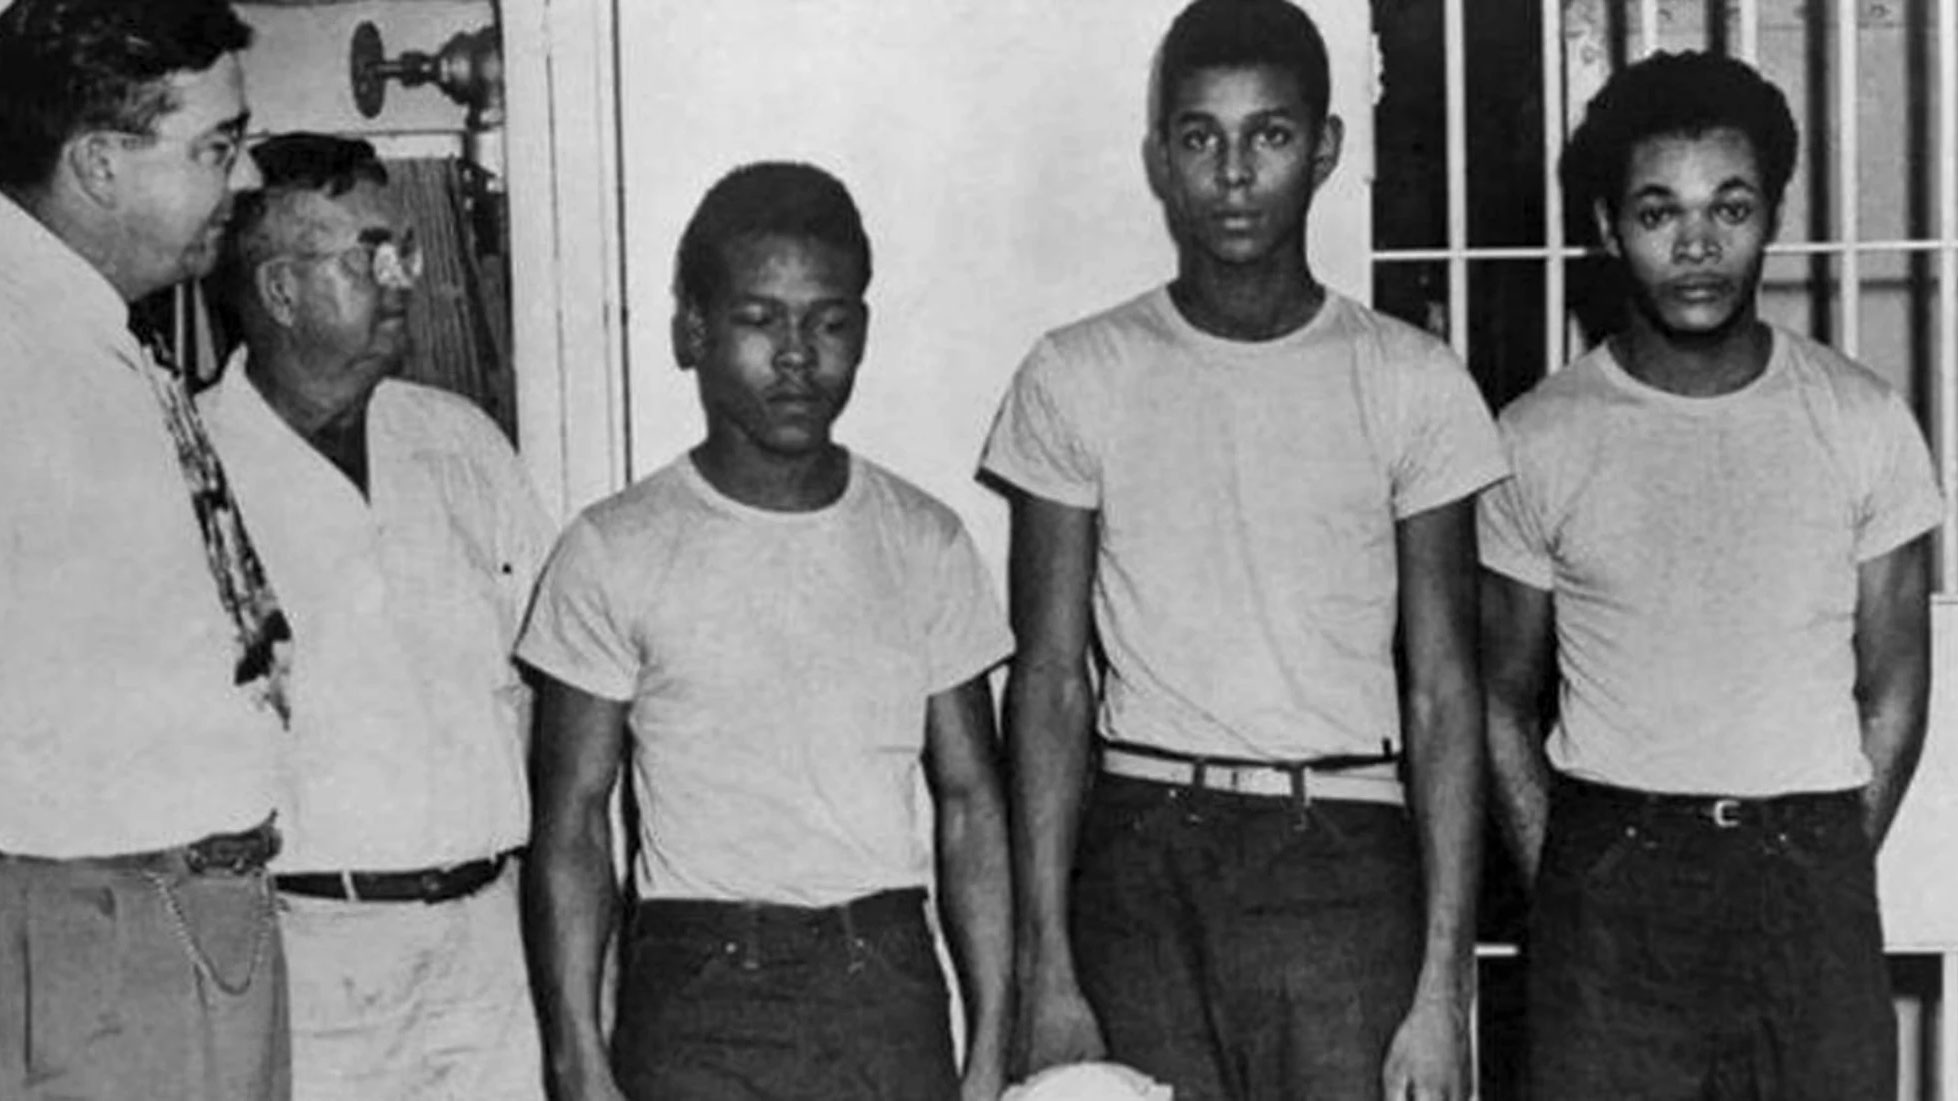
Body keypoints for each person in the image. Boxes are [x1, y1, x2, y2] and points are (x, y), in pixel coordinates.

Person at [980, 1, 1504, 1098]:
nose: (1230, 173)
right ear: (1157, 158)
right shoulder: (1078, 373)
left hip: (1346, 858)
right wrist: (1047, 963)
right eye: (1198, 136)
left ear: (1321, 149)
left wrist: (1441, 984)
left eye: (1266, 134)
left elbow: (1445, 692)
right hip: (1139, 851)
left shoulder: (1409, 381)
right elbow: (1046, 685)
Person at [1479, 50, 1941, 1100]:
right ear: (1605, 227)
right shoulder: (1534, 438)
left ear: (1769, 213)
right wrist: (1570, 876)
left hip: (1806, 879)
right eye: (1657, 212)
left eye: (1727, 207)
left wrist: (1814, 859)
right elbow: (1496, 698)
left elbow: (1895, 690)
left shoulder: (1860, 421)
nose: (1695, 244)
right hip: (1609, 881)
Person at [519, 161, 1014, 1101]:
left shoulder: (924, 539)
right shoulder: (612, 547)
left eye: (828, 323)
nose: (798, 355)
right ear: (694, 329)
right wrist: (577, 1053)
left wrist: (991, 1038)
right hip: (699, 988)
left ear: (860, 334)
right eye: (760, 319)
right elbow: (575, 820)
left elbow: (970, 804)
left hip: (884, 982)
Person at [201, 132, 556, 1101]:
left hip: (491, 946)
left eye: (407, 247)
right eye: (371, 254)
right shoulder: (191, 467)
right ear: (278, 290)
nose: (404, 276)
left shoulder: (460, 444)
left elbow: (546, 695)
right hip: (309, 955)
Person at [0, 2, 288, 1099]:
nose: (241, 178)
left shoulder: (93, 333)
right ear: (101, 165)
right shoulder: (20, 353)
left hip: (179, 907)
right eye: (216, 147)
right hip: (98, 925)